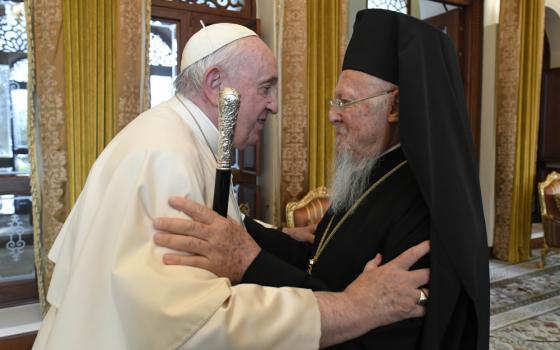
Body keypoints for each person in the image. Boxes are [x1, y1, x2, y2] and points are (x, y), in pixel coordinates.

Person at [32, 22, 430, 350]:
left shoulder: (179, 138)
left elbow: (218, 227)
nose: (274, 105)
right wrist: (352, 308)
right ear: (215, 83)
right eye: (266, 87)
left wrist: (278, 239)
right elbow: (201, 323)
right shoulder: (167, 158)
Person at [153, 10, 490, 350]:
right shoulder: (365, 172)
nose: (331, 114)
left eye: (345, 101)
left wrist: (249, 263)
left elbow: (381, 325)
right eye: (334, 101)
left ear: (395, 106)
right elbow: (318, 260)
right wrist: (238, 226)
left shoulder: (422, 206)